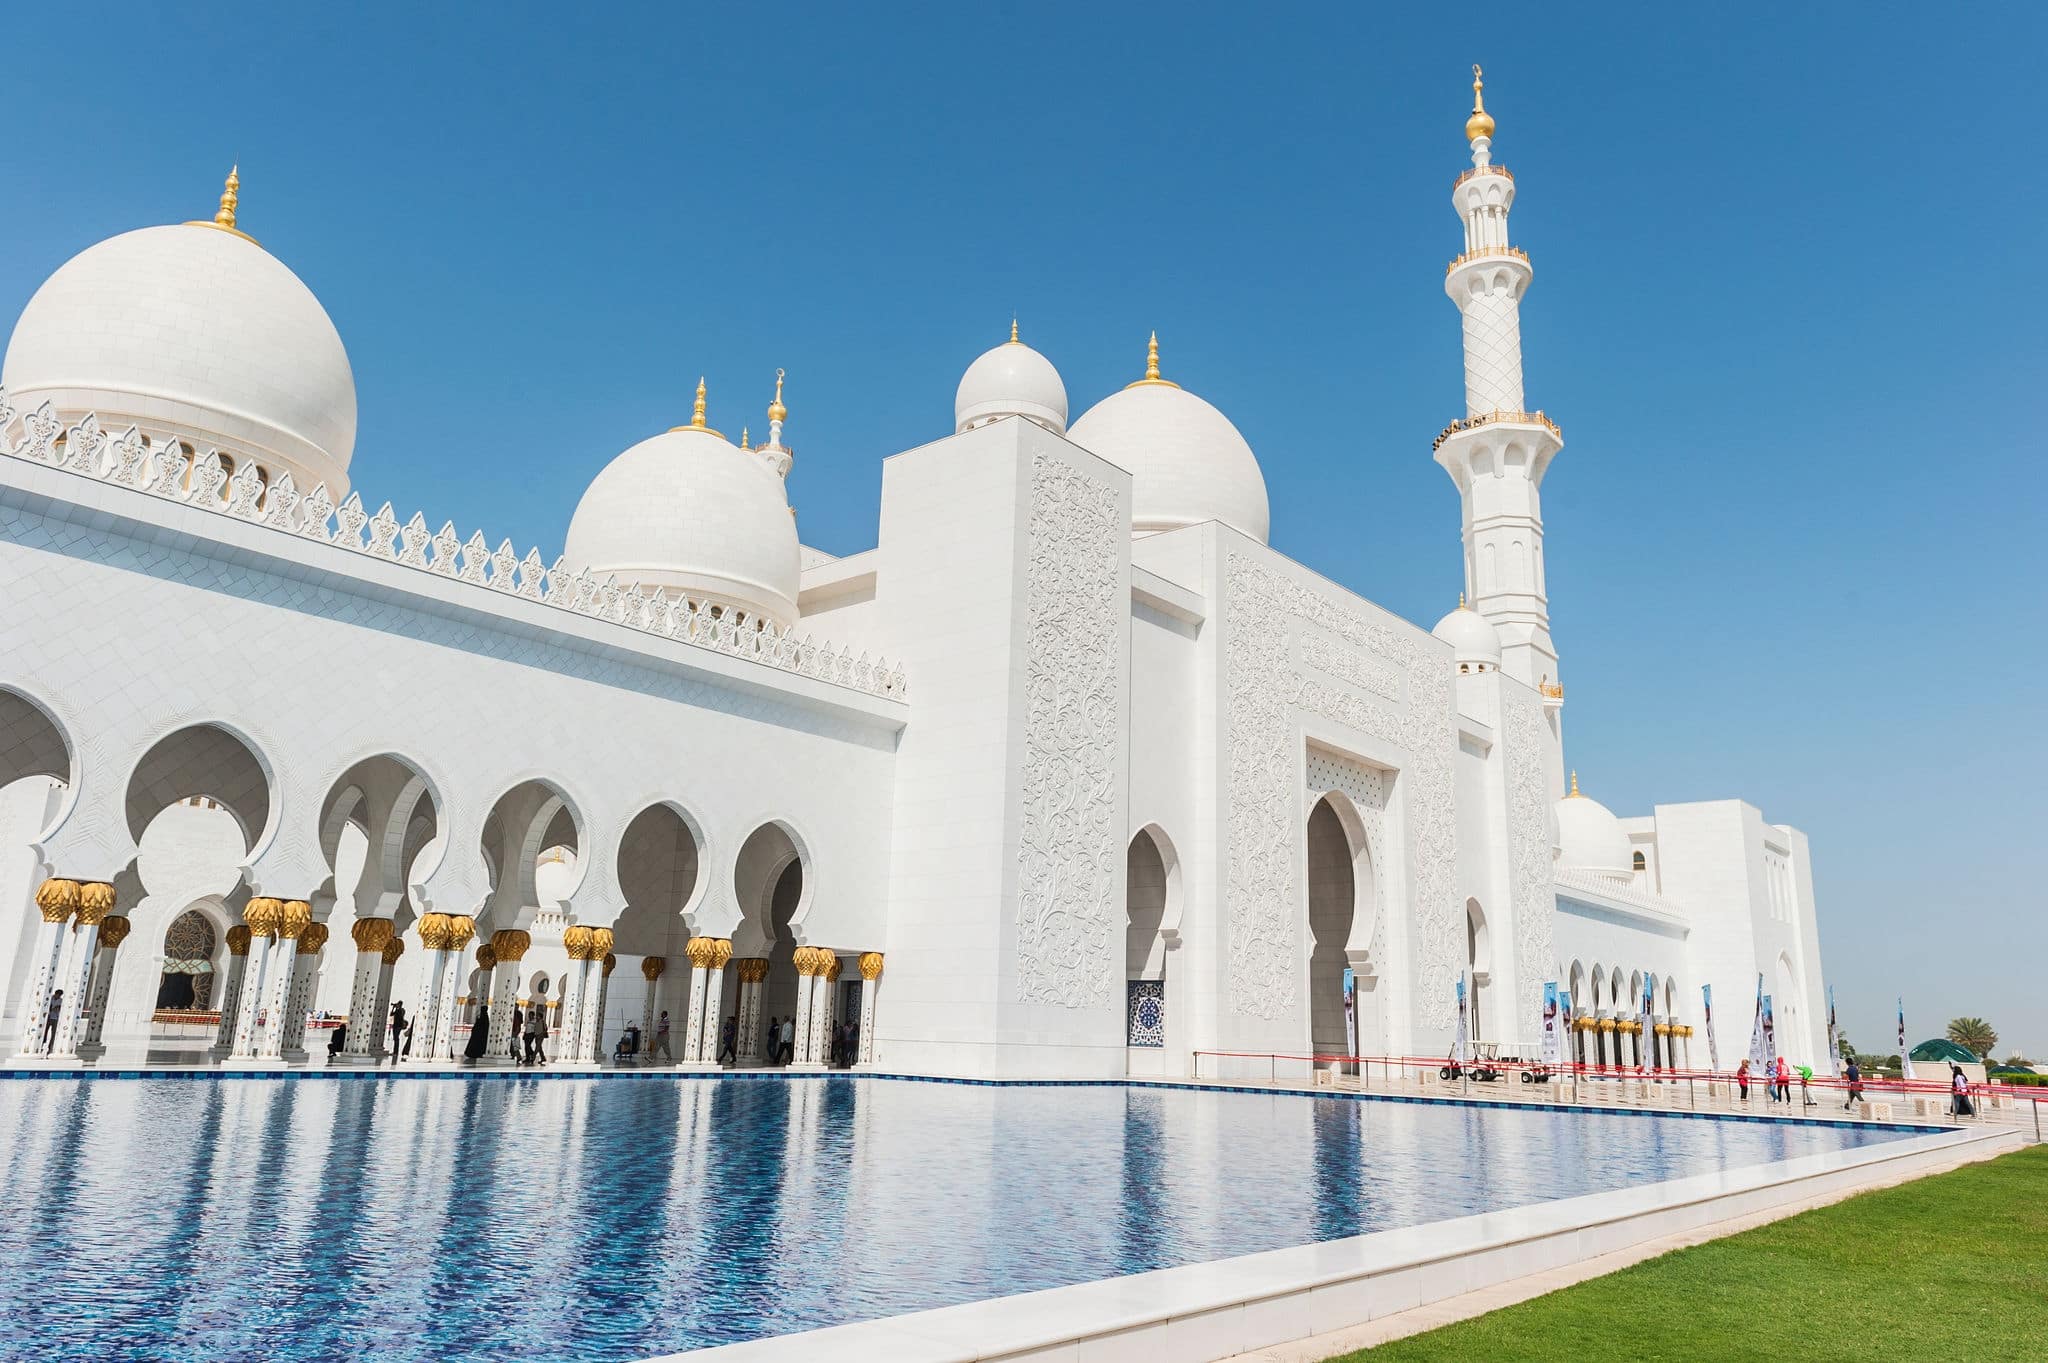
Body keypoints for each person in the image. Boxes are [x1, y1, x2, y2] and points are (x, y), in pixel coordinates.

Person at [40, 989, 64, 1053]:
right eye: (58, 995)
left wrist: (58, 1008)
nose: (58, 996)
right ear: (55, 994)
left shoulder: (61, 1001)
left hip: (55, 1018)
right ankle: (42, 1044)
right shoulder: (50, 999)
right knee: (44, 1032)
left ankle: (50, 1047)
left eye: (60, 995)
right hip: (48, 1017)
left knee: (53, 1034)